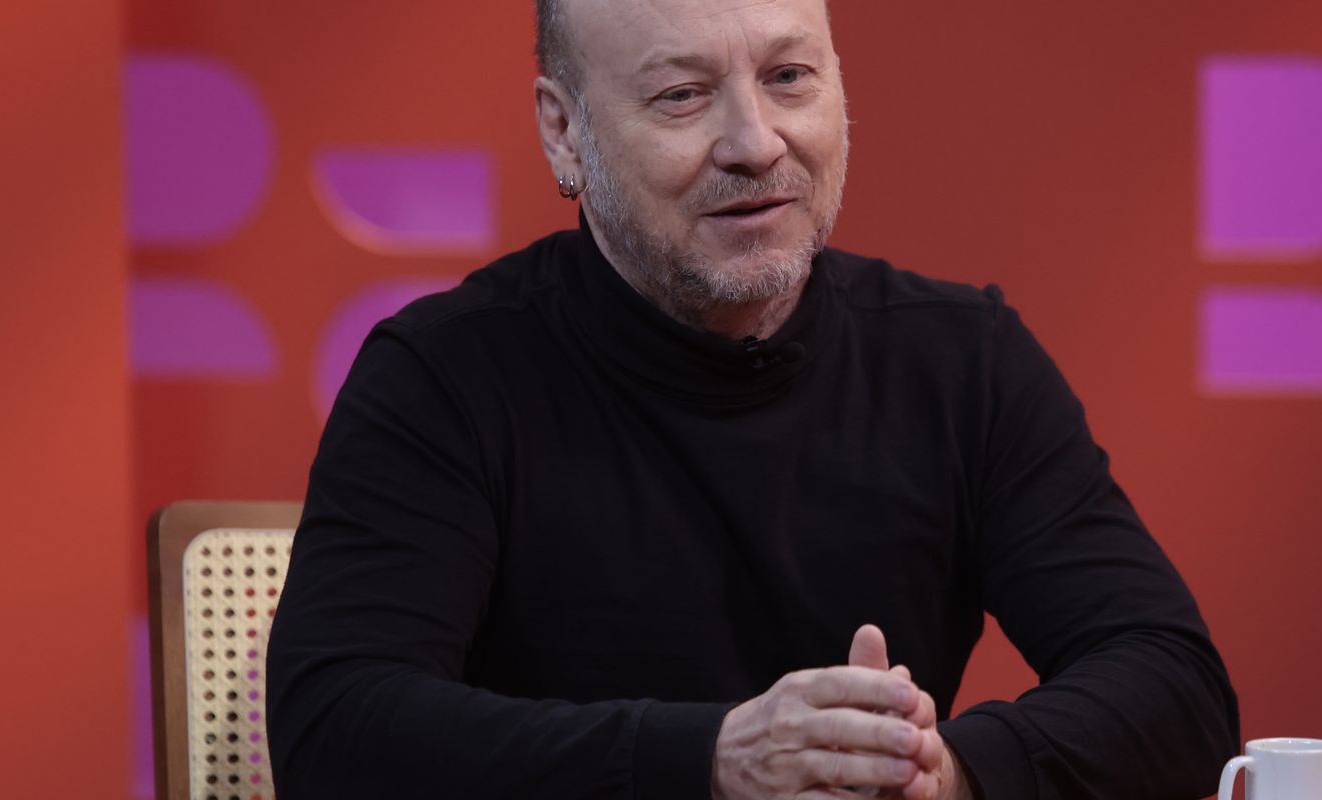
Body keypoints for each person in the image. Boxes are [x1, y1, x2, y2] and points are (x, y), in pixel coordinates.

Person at [265, 0, 1241, 797]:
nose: (754, 142)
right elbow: (335, 729)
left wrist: (947, 773)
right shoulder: (444, 374)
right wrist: (711, 762)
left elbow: (1175, 687)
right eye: (682, 96)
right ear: (563, 130)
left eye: (788, 77)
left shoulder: (960, 359)